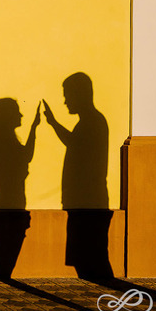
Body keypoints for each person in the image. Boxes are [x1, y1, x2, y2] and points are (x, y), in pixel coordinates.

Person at [42, 72, 113, 281]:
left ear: (80, 94)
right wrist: (53, 123)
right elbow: (74, 143)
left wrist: (53, 123)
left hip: (88, 206)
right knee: (91, 265)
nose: (65, 101)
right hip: (86, 204)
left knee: (93, 266)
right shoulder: (90, 122)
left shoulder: (92, 122)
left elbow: (76, 146)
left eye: (67, 95)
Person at [0, 98, 39, 280]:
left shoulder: (2, 139)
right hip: (11, 206)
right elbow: (26, 158)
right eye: (17, 111)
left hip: (5, 205)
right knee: (5, 266)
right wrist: (34, 128)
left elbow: (24, 158)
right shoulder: (6, 140)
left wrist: (33, 128)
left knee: (3, 263)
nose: (21, 114)